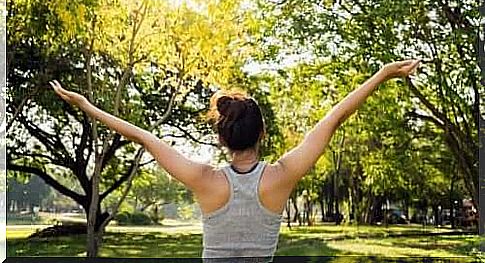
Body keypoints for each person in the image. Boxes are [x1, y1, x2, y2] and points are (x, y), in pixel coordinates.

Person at [49, 59, 420, 262]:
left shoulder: (204, 180)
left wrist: (86, 105)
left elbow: (142, 136)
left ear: (220, 137)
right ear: (262, 134)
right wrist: (383, 74)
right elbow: (333, 119)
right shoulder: (281, 177)